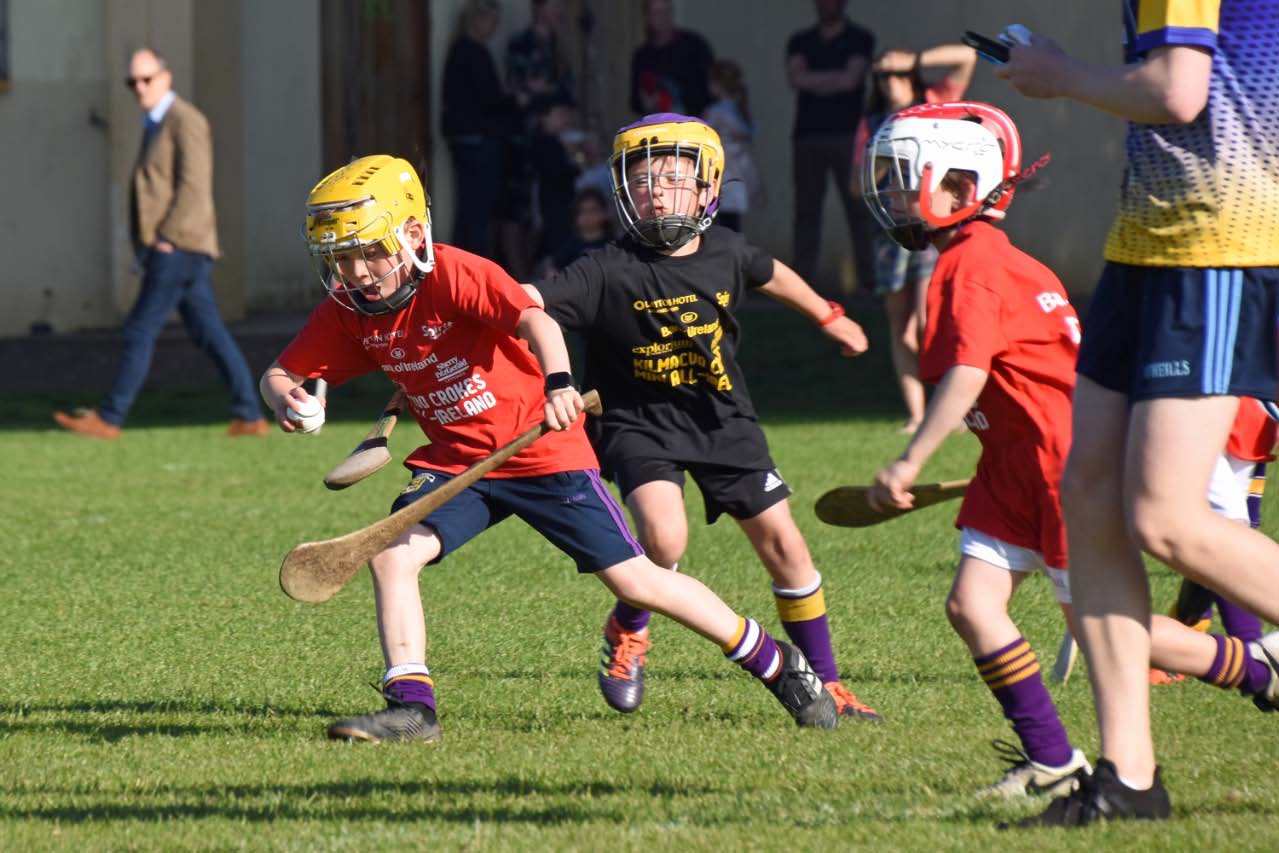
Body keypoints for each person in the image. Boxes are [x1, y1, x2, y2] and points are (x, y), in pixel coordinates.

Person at [259, 154, 838, 742]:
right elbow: (280, 372)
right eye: (341, 258)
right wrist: (287, 398)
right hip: (459, 464)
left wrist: (559, 382)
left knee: (637, 582)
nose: (356, 272)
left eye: (368, 251)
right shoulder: (351, 312)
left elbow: (536, 320)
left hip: (542, 455)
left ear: (412, 233)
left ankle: (774, 661)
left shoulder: (457, 274)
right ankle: (412, 706)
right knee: (391, 555)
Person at [996, 6, 1279, 826]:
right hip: (1146, 242)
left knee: (1165, 518)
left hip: (1217, 244)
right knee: (1086, 495)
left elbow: (1177, 91)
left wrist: (1058, 77)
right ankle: (1127, 777)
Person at [524, 114, 880, 723]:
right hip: (636, 421)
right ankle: (630, 629)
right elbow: (532, 305)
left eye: (672, 178)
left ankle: (827, 684)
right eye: (641, 180)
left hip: (722, 418)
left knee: (787, 549)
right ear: (622, 192)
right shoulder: (603, 267)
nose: (656, 190)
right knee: (664, 541)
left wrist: (828, 316)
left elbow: (774, 275)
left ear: (708, 185)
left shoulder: (727, 251)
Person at [863, 101, 1091, 796]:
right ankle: (1052, 762)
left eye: (908, 178)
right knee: (970, 605)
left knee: (1121, 641)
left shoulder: (975, 264)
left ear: (963, 187)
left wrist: (909, 460)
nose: (894, 194)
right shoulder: (967, 258)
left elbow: (968, 372)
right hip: (1012, 468)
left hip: (1057, 472)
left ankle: (1251, 666)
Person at [54, 48, 267, 440]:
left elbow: (194, 185)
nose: (139, 87)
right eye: (132, 81)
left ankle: (110, 418)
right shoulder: (157, 122)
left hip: (180, 246)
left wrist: (168, 237)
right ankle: (251, 415)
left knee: (139, 329)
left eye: (146, 79)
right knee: (209, 333)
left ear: (166, 78)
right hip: (181, 247)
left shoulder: (185, 120)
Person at [853, 44, 976, 434]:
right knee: (901, 326)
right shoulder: (872, 124)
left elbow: (967, 58)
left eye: (897, 73)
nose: (890, 82)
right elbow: (856, 187)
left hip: (931, 226)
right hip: (890, 232)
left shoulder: (935, 105)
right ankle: (918, 413)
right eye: (882, 76)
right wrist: (883, 163)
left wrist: (916, 60)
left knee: (929, 317)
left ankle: (949, 406)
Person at [1149, 398, 1271, 684]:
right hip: (1198, 404)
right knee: (1227, 534)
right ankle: (1257, 662)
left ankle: (1186, 626)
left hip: (1254, 418)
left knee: (1229, 534)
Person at [784, 0, 875, 294]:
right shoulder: (800, 40)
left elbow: (852, 80)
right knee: (806, 210)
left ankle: (869, 282)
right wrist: (833, 79)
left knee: (858, 209)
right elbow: (795, 78)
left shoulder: (860, 38)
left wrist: (815, 81)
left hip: (848, 136)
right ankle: (801, 284)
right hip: (807, 135)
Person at [441, 0, 511, 259]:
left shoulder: (460, 50)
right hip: (478, 140)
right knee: (476, 211)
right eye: (492, 21)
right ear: (479, 20)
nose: (494, 28)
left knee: (469, 208)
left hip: (465, 139)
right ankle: (469, 266)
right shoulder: (472, 52)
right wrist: (516, 99)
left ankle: (461, 265)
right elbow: (489, 99)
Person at [703, 59, 763, 233]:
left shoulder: (716, 112)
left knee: (722, 219)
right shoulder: (740, 110)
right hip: (740, 171)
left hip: (724, 171)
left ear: (717, 85)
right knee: (731, 220)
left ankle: (727, 256)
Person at [629, 0, 714, 118]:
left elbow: (713, 86)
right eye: (656, 13)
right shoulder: (642, 56)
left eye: (666, 12)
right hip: (659, 126)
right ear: (647, 17)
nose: (662, 18)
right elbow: (635, 100)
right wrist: (647, 103)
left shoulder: (694, 45)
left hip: (695, 125)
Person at [549, 187, 612, 273]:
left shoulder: (612, 245)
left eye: (593, 210)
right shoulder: (569, 247)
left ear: (605, 213)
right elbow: (553, 272)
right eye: (582, 211)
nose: (587, 216)